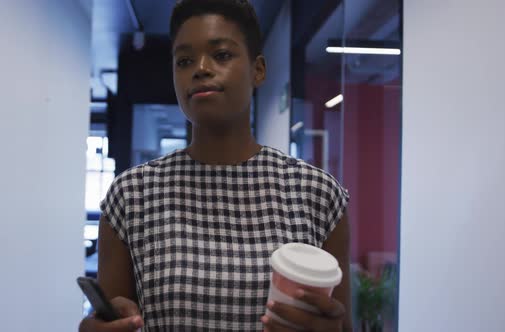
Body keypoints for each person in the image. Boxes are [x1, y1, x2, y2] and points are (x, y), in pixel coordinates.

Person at [79, 0, 351, 331]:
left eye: (221, 55)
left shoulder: (316, 195)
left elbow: (341, 322)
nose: (201, 68)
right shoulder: (132, 196)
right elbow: (113, 319)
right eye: (184, 60)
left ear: (258, 70)